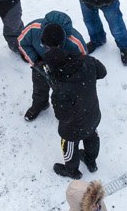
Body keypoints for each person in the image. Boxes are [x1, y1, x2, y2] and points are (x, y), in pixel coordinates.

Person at [45, 45, 106, 178]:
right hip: (93, 114)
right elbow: (102, 72)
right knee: (92, 135)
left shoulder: (60, 89)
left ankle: (72, 170)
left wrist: (55, 89)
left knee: (69, 145)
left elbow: (62, 116)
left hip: (73, 128)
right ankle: (91, 161)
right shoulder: (87, 62)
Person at [14, 10, 86, 122]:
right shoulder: (33, 29)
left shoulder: (75, 43)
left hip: (62, 69)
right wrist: (36, 61)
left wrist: (67, 69)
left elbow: (82, 61)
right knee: (39, 87)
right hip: (40, 64)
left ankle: (68, 111)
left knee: (64, 92)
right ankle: (40, 103)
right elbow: (22, 42)